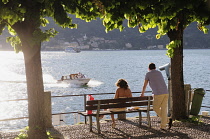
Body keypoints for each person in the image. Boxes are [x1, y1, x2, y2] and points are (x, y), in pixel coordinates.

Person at [140, 63, 172, 130]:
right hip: (165, 92)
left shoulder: (148, 74)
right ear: (155, 68)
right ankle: (164, 125)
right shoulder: (159, 73)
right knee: (164, 109)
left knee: (155, 108)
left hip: (158, 93)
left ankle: (167, 120)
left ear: (149, 68)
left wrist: (142, 94)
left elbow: (145, 85)